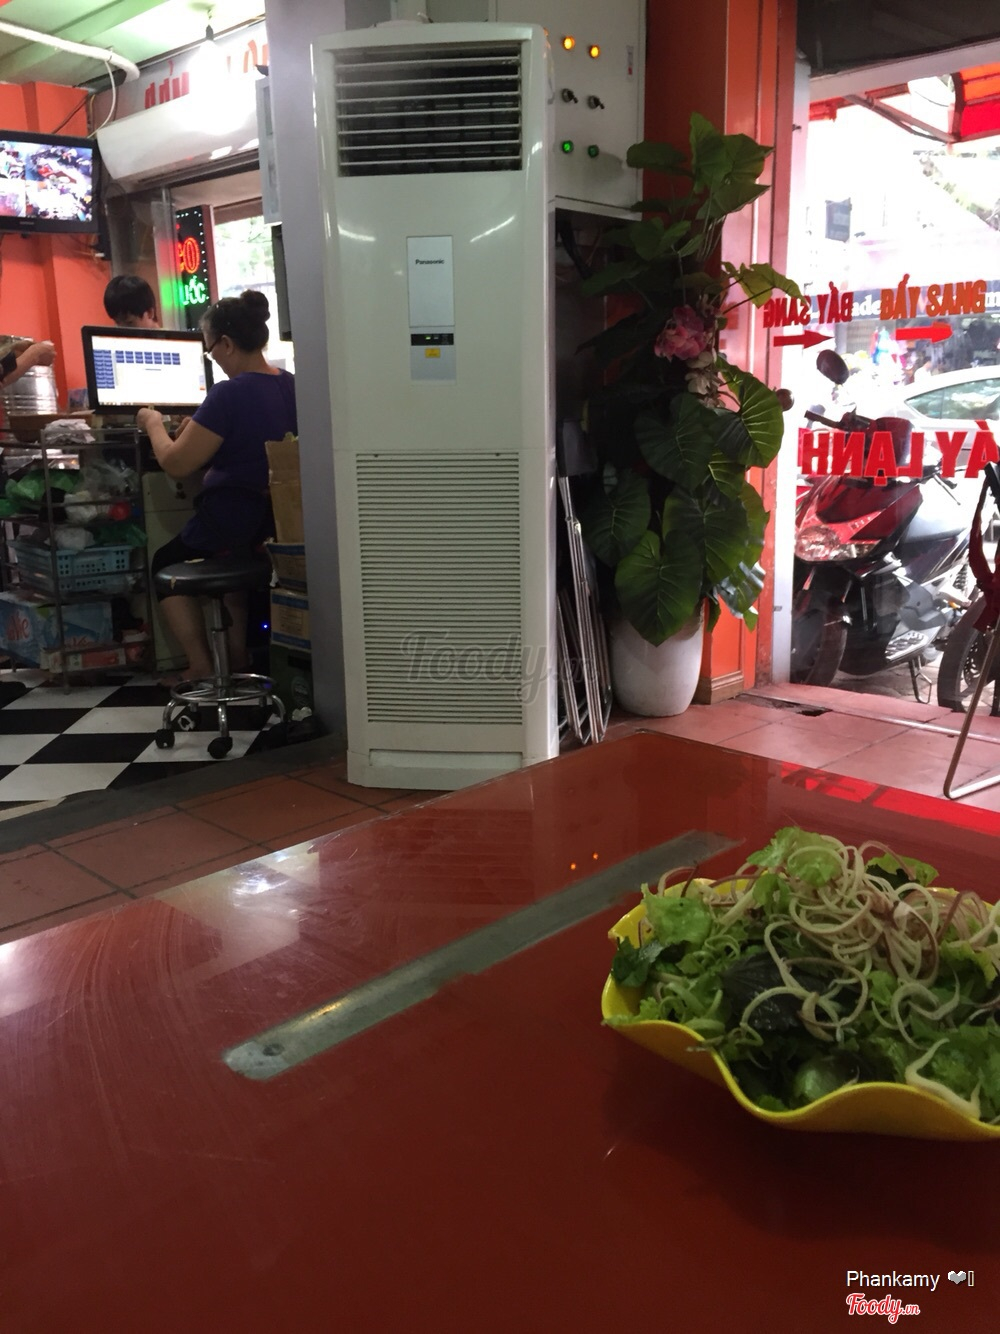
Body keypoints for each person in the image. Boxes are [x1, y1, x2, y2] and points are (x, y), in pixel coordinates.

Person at [136, 290, 297, 685]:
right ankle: (237, 657)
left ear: (226, 343)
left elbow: (176, 464)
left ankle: (201, 665)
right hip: (276, 527)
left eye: (210, 352)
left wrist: (152, 424)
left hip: (232, 521)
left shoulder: (229, 392)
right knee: (234, 565)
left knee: (165, 563)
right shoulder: (291, 385)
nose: (214, 359)